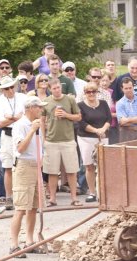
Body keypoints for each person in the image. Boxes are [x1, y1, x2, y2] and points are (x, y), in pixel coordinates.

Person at [10, 96, 48, 258]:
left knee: (33, 206)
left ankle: (30, 241)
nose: (41, 110)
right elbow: (20, 148)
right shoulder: (20, 125)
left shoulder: (38, 124)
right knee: (20, 208)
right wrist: (32, 130)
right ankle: (14, 245)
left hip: (36, 166)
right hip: (24, 166)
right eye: (39, 107)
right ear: (30, 108)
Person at [41, 79, 82, 207]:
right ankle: (52, 199)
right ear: (50, 89)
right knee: (52, 172)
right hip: (51, 140)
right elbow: (42, 120)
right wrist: (43, 138)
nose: (57, 90)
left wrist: (66, 115)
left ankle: (74, 198)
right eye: (54, 88)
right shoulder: (46, 102)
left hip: (68, 139)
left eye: (58, 87)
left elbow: (79, 117)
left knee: (72, 170)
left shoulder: (69, 100)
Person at [0, 76, 27, 210]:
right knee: (8, 167)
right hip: (7, 135)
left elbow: (26, 117)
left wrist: (11, 118)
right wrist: (15, 118)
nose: (10, 90)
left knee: (23, 166)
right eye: (7, 88)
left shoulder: (22, 98)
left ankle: (23, 196)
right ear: (2, 90)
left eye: (12, 87)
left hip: (20, 134)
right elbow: (0, 123)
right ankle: (9, 197)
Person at [77, 83, 111, 202]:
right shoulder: (80, 105)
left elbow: (109, 119)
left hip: (103, 137)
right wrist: (96, 130)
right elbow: (81, 123)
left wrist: (102, 130)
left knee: (104, 166)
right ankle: (92, 192)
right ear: (84, 93)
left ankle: (103, 192)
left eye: (93, 91)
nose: (91, 94)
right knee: (89, 166)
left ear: (97, 92)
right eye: (88, 92)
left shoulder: (103, 103)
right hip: (86, 138)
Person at [116, 77, 137, 142]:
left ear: (133, 87)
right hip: (126, 134)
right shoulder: (119, 103)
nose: (128, 90)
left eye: (130, 88)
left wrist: (128, 120)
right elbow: (122, 122)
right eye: (126, 88)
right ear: (122, 89)